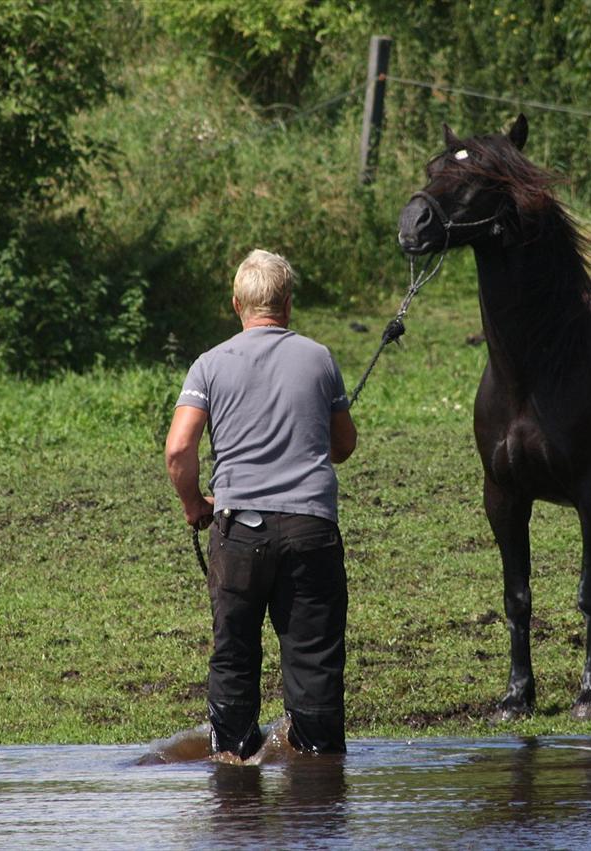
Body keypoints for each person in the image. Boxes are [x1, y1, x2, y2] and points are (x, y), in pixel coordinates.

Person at [165, 249, 357, 758]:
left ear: (237, 305)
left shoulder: (208, 365)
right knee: (314, 661)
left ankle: (231, 775)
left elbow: (179, 448)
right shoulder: (319, 358)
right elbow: (343, 447)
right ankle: (316, 791)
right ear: (287, 305)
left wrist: (193, 503)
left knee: (234, 657)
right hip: (311, 530)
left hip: (238, 532)